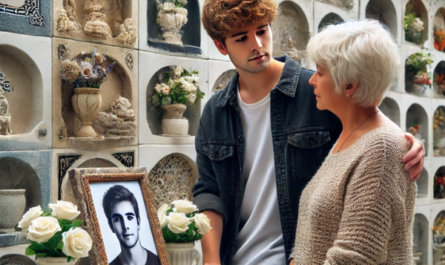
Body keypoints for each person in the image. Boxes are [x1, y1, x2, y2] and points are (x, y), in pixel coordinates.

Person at [193, 1, 425, 264]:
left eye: (262, 30)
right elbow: (208, 189)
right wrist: (211, 259)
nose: (256, 44)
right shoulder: (215, 112)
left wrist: (407, 143)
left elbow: (368, 128)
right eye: (242, 38)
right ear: (221, 46)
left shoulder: (316, 90)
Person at [290, 19, 415, 264]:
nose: (311, 80)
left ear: (350, 85)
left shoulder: (381, 149)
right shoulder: (351, 136)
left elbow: (355, 257)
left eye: (320, 72)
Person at [103, 185, 161, 265]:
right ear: (111, 226)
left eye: (130, 217)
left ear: (138, 222)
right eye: (117, 219)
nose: (125, 226)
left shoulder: (160, 261)